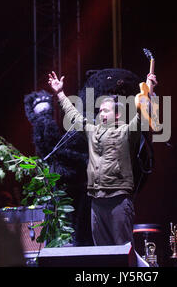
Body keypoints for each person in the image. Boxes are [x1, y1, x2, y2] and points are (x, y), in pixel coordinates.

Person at [47, 70, 158, 246]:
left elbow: (143, 115)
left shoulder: (127, 132)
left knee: (122, 251)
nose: (102, 114)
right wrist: (60, 93)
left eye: (106, 111)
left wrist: (149, 91)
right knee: (102, 252)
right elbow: (73, 115)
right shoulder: (92, 131)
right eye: (100, 111)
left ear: (117, 115)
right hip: (97, 201)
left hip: (119, 200)